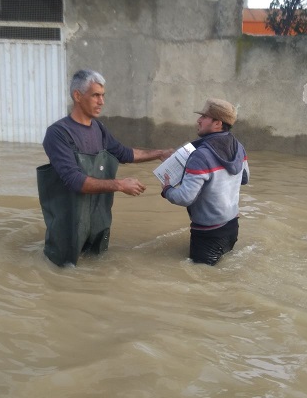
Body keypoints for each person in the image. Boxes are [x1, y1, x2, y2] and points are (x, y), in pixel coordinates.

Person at [37, 69, 173, 267]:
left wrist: (160, 153)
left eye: (103, 96)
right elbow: (74, 180)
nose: (102, 102)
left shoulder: (99, 129)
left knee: (96, 271)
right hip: (68, 229)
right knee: (64, 274)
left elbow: (125, 153)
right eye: (95, 95)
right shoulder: (58, 133)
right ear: (77, 96)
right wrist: (119, 185)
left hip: (97, 223)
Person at [160, 98, 249, 265]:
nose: (198, 120)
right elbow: (244, 178)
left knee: (200, 281)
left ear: (217, 123)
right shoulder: (238, 147)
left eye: (204, 117)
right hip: (232, 227)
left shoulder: (201, 155)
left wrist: (167, 189)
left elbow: (185, 197)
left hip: (208, 235)